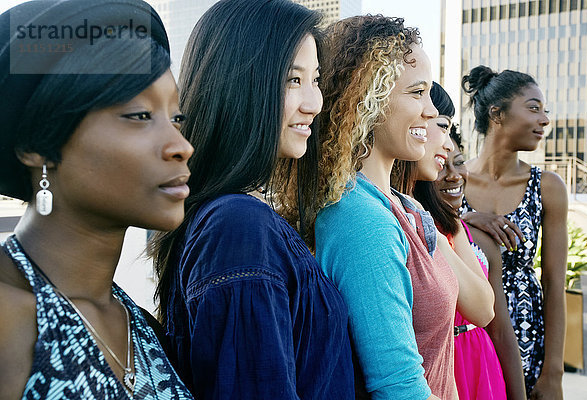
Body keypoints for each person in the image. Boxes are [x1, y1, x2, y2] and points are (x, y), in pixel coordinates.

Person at [150, 1, 354, 398]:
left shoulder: (238, 215)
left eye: (315, 80)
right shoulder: (238, 227)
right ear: (241, 84)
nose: (314, 103)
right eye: (293, 80)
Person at [0, 0, 195, 398]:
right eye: (140, 115)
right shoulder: (8, 317)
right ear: (39, 146)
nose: (181, 146)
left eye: (177, 117)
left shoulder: (141, 327)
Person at [312, 16, 493, 400]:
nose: (431, 112)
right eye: (417, 93)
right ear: (368, 100)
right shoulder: (361, 220)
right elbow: (398, 386)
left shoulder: (402, 205)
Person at [409, 82, 526, 400]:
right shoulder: (398, 217)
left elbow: (490, 315)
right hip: (435, 369)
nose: (451, 169)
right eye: (440, 129)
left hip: (477, 360)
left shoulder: (454, 226)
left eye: (458, 161)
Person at [461, 65, 568, 399]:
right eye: (533, 108)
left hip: (527, 343)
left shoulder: (547, 187)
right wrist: (466, 220)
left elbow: (554, 284)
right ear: (497, 114)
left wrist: (553, 372)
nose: (545, 120)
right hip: (471, 339)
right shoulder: (451, 181)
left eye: (544, 111)